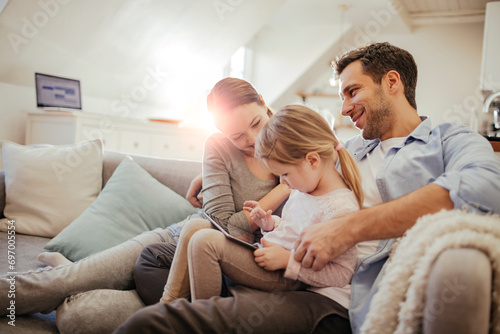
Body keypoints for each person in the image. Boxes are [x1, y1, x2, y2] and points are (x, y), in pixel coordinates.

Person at [114, 42, 500, 334]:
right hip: (281, 247)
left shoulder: (448, 141)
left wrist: (349, 229)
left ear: (392, 83)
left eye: (352, 92)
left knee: (153, 322)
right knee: (153, 259)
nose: (345, 109)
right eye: (342, 97)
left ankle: (222, 303)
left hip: (330, 288)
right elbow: (294, 173)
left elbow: (484, 188)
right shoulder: (348, 149)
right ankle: (225, 296)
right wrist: (216, 172)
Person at [0, 77, 289, 333]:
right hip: (173, 242)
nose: (252, 140)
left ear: (263, 103)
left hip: (220, 274)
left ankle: (79, 280)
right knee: (64, 281)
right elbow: (220, 223)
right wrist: (282, 189)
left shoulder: (294, 145)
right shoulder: (219, 146)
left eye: (256, 123)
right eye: (237, 136)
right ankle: (73, 275)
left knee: (80, 319)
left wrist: (281, 185)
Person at [165, 105, 363, 302]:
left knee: (205, 242)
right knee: (197, 230)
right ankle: (179, 307)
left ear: (312, 161)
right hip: (266, 253)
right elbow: (294, 229)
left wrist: (288, 261)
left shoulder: (340, 209)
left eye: (285, 174)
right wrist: (270, 224)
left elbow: (342, 273)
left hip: (288, 276)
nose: (283, 183)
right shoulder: (305, 188)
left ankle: (197, 319)